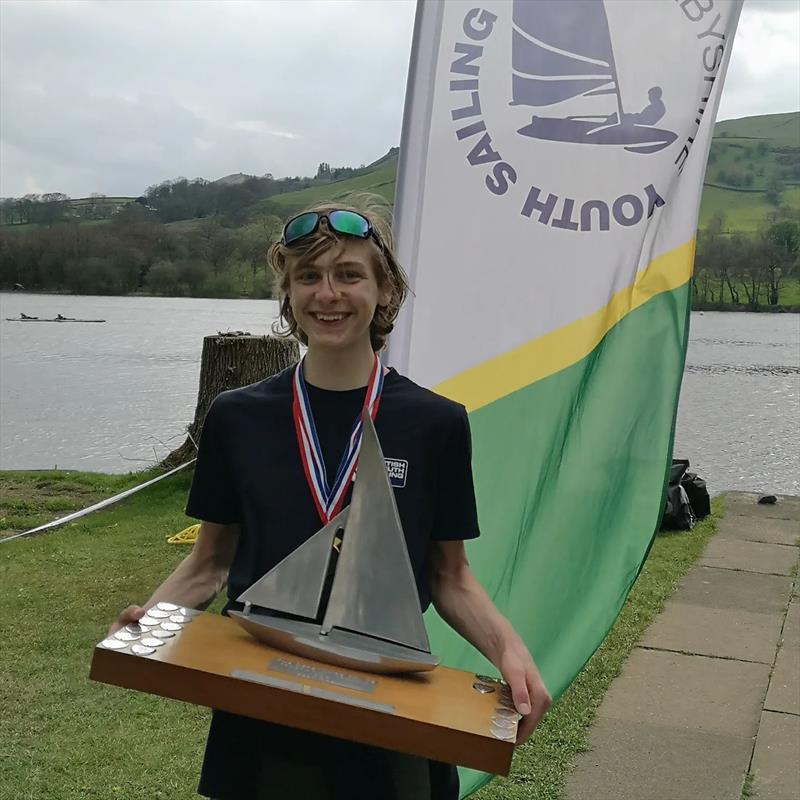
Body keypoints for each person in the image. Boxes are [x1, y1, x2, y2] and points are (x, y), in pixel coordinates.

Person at [109, 200, 550, 799]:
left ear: (385, 289)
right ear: (287, 293)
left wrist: (511, 650)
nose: (328, 295)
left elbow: (450, 577)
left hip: (387, 711)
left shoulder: (436, 423)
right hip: (260, 700)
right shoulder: (237, 418)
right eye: (308, 277)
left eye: (349, 275)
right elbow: (208, 562)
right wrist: (149, 623)